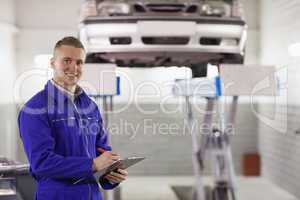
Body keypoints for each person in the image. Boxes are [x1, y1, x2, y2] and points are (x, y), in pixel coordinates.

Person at [18, 36, 128, 200]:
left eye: (79, 62)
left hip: (92, 196)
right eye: (67, 60)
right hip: (57, 195)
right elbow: (42, 163)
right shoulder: (35, 109)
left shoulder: (90, 106)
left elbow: (102, 150)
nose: (74, 67)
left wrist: (111, 175)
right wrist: (93, 165)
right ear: (52, 63)